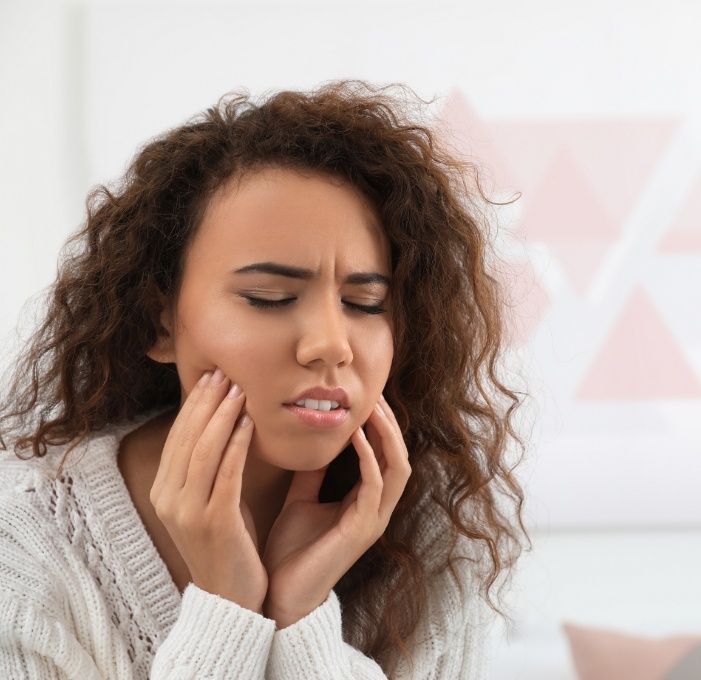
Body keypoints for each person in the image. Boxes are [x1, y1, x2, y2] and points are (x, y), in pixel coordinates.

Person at [0, 81, 526, 679]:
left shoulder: (430, 536)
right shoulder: (19, 541)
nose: (331, 343)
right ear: (159, 320)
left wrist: (301, 616)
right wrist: (225, 612)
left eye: (367, 303)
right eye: (268, 298)